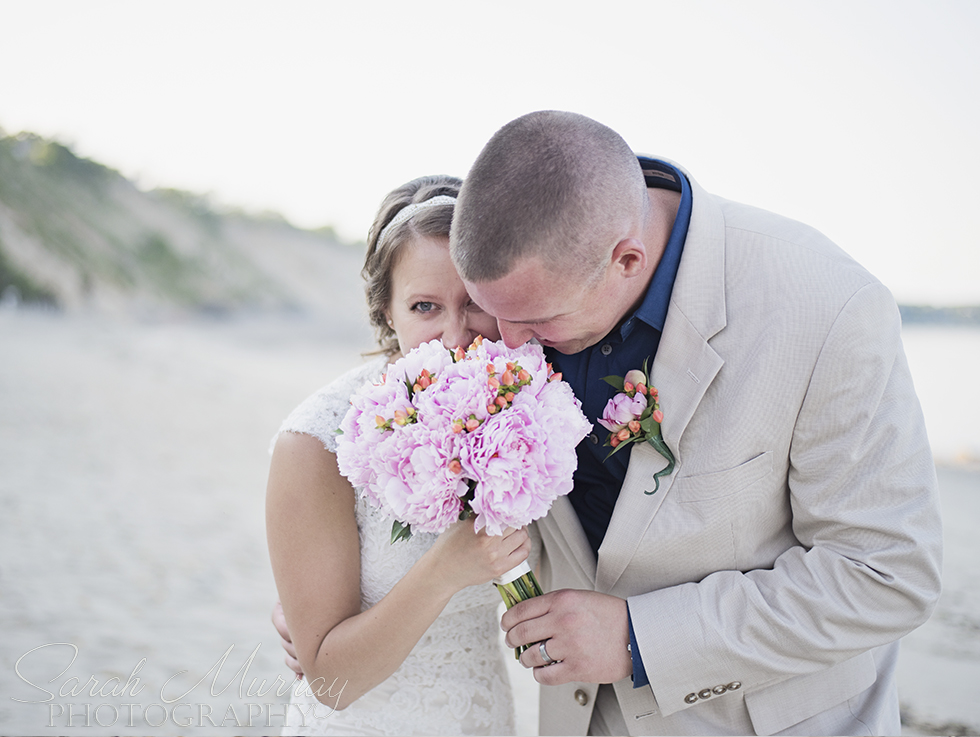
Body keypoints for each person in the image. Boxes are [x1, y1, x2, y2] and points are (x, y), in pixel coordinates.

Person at [448, 111, 943, 736]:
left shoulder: (829, 307)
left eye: (540, 320)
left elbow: (885, 575)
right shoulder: (517, 299)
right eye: (489, 310)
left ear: (626, 259)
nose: (510, 342)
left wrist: (638, 639)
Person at [266, 175, 531, 736]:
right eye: (424, 306)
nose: (455, 335)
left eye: (475, 302)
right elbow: (331, 684)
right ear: (388, 311)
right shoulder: (316, 442)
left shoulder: (527, 404)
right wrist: (445, 570)